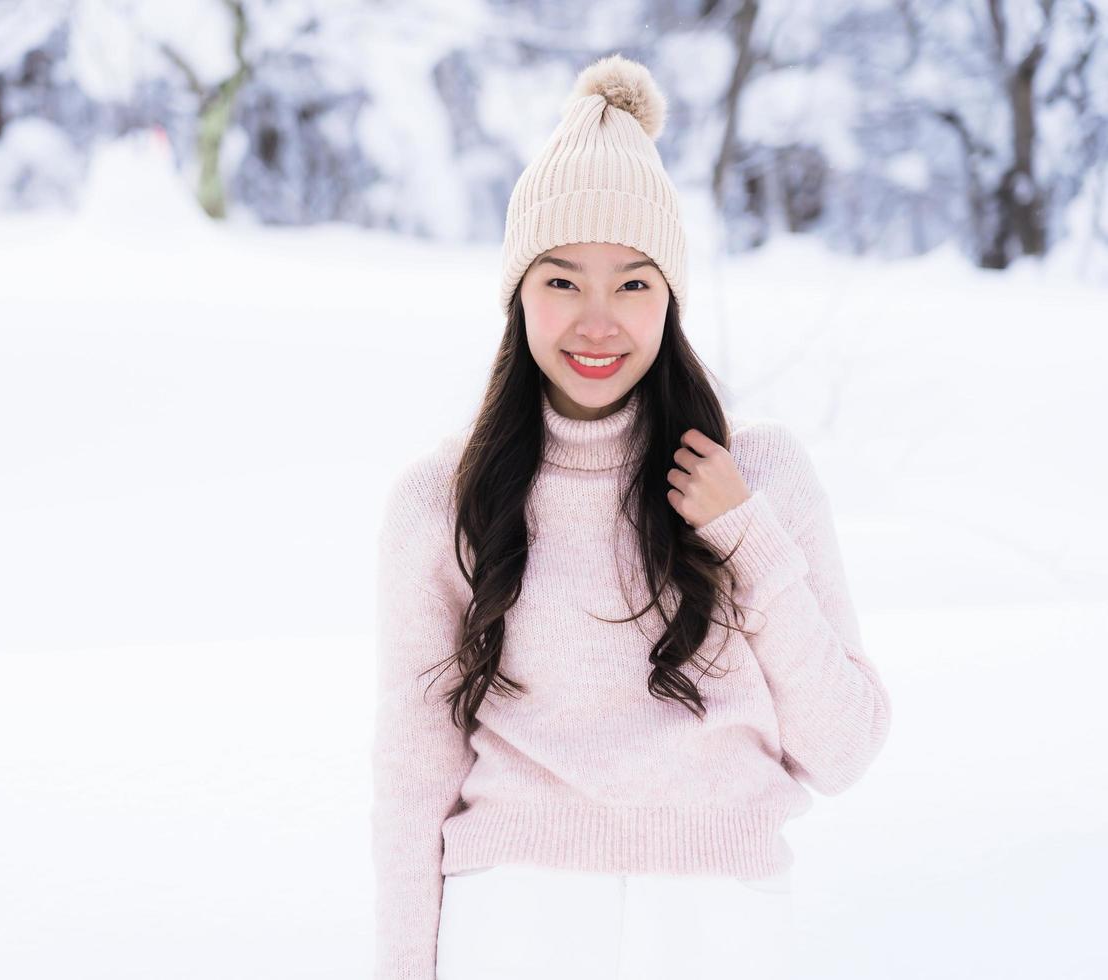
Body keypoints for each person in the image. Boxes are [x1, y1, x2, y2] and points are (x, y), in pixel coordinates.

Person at [369, 51, 892, 980]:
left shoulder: (759, 474)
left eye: (634, 283)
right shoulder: (442, 498)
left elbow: (843, 750)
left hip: (718, 928)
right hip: (514, 921)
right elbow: (413, 783)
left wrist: (746, 539)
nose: (597, 321)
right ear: (517, 293)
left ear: (673, 297)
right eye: (562, 281)